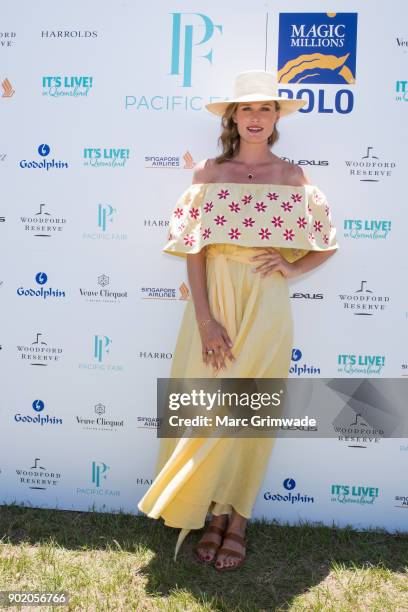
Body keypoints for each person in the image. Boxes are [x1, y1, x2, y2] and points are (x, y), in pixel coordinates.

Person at [138, 70, 339, 572]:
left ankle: (238, 519)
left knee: (250, 410)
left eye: (265, 109)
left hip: (267, 304)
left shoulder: (293, 177)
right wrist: (205, 319)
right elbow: (194, 251)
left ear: (276, 119)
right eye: (246, 109)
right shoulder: (207, 172)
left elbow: (326, 241)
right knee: (204, 406)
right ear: (232, 117)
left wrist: (291, 268)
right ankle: (211, 514)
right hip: (212, 303)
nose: (255, 117)